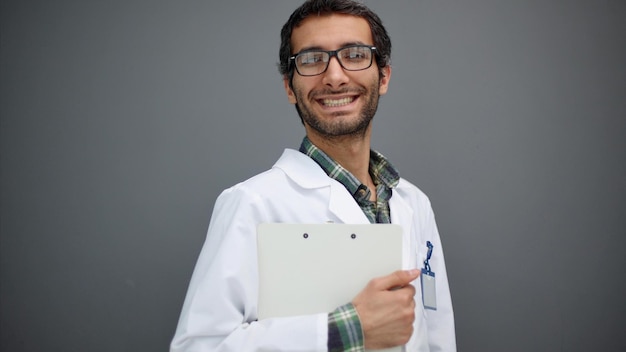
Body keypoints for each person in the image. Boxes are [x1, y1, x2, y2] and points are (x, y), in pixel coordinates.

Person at [170, 0, 456, 350]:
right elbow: (197, 346)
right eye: (311, 60)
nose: (334, 76)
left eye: (354, 55)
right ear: (290, 87)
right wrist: (345, 329)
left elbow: (438, 336)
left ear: (383, 77)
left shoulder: (414, 203)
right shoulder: (251, 204)